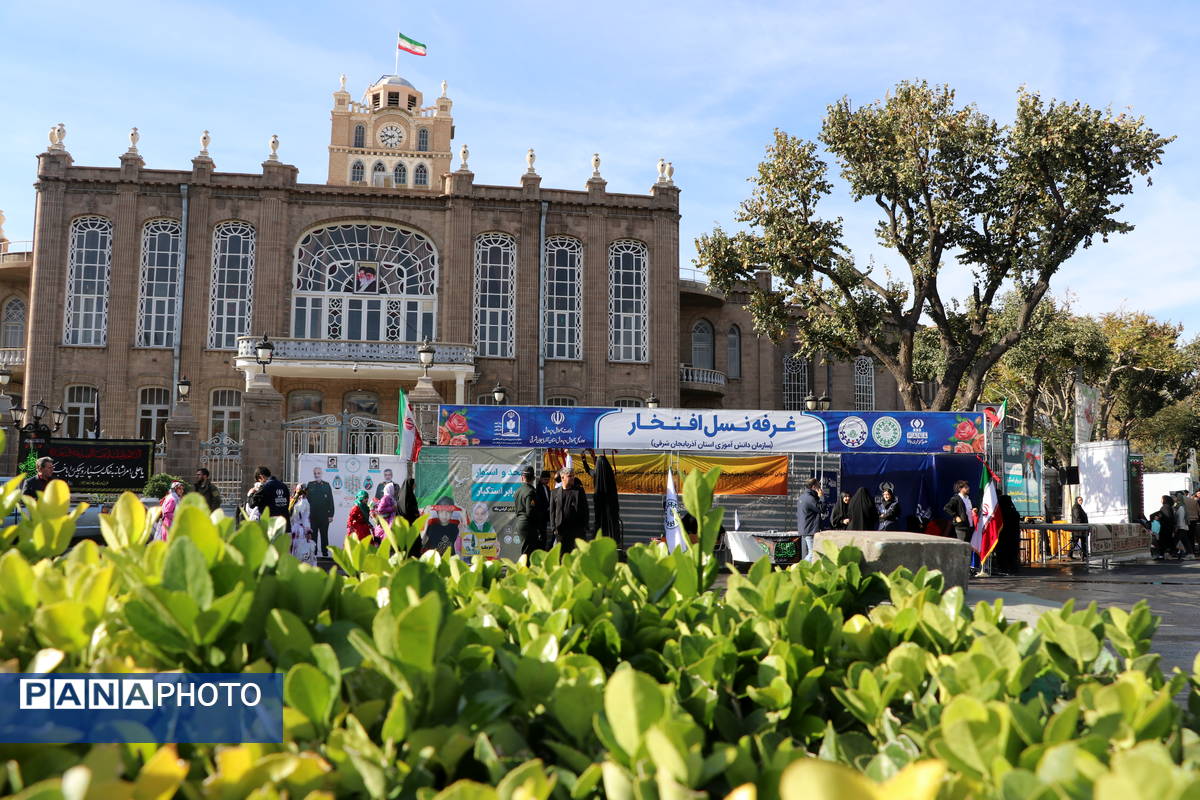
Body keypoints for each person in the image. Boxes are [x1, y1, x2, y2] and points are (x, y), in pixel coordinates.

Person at [550, 466, 589, 553]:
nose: (572, 478)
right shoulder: (554, 493)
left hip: (576, 530)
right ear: (562, 477)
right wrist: (554, 528)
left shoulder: (579, 491)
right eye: (570, 476)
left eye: (573, 476)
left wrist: (584, 526)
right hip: (561, 530)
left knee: (576, 554)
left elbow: (585, 509)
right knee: (562, 554)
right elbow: (552, 512)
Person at [305, 466, 335, 557]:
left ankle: (325, 553)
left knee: (324, 535)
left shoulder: (326, 485)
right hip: (313, 515)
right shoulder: (310, 485)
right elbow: (307, 500)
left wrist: (331, 515)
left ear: (321, 474)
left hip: (324, 515)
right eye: (315, 473)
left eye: (318, 473)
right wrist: (307, 514)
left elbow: (330, 500)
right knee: (313, 536)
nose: (316, 475)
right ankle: (313, 553)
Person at [515, 466, 544, 556]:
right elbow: (530, 512)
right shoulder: (530, 491)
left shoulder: (518, 491)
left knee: (526, 550)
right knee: (528, 552)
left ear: (522, 477)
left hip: (520, 522)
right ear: (533, 478)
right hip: (528, 525)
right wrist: (538, 526)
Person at [994, 494, 1022, 575]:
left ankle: (1003, 568)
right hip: (1013, 537)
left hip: (1003, 538)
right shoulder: (1014, 513)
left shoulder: (1000, 514)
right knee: (1012, 554)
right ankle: (1013, 568)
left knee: (1002, 553)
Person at [796, 478, 822, 561]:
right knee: (812, 554)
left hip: (805, 529)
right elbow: (821, 508)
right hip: (810, 530)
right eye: (818, 486)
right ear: (814, 487)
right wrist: (821, 497)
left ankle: (803, 567)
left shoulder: (803, 497)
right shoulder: (810, 498)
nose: (820, 488)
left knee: (810, 553)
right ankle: (799, 567)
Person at [289, 485, 312, 558]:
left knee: (292, 550)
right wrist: (308, 532)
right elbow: (305, 519)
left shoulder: (292, 500)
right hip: (300, 531)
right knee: (300, 552)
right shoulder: (304, 502)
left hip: (291, 529)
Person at [1156, 494, 1176, 560]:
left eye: (1162, 499)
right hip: (1168, 527)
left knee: (1163, 541)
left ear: (1165, 500)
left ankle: (1162, 555)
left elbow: (1167, 517)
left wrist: (1159, 518)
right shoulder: (1169, 507)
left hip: (1165, 527)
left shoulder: (1165, 507)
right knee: (1167, 541)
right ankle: (1166, 554)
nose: (1160, 500)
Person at [1069, 496, 1089, 560]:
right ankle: (1070, 554)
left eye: (1081, 500)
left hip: (1081, 528)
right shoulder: (1076, 507)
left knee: (1083, 542)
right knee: (1075, 542)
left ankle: (1084, 554)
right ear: (1076, 501)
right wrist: (1081, 526)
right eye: (1080, 500)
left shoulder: (1078, 507)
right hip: (1078, 529)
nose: (1081, 501)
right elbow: (1077, 518)